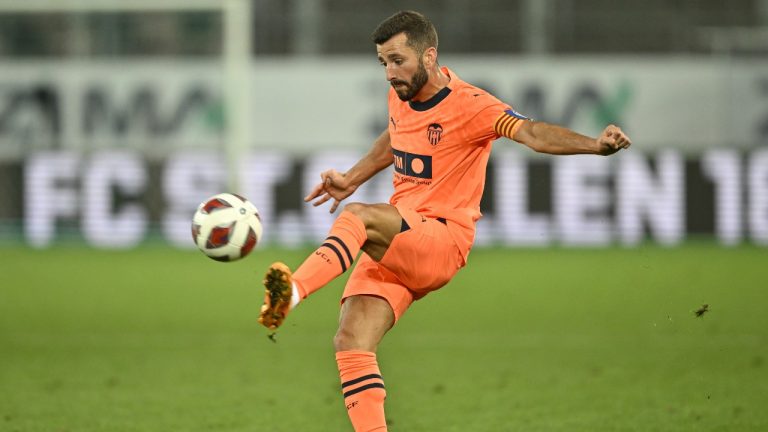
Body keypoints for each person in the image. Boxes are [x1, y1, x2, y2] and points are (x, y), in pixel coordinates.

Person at [258, 10, 631, 432]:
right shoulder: (399, 95)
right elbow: (395, 137)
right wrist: (353, 177)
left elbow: (532, 133)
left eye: (398, 60)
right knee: (351, 342)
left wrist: (596, 146)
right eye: (383, 62)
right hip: (401, 240)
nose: (389, 73)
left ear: (429, 55)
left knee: (358, 218)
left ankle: (294, 290)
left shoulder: (472, 105)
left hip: (441, 238)